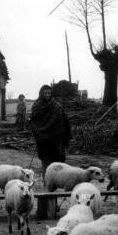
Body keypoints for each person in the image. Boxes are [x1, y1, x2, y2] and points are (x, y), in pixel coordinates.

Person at [29, 84, 72, 219]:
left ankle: (53, 209)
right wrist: (39, 134)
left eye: (49, 92)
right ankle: (42, 211)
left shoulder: (56, 107)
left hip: (56, 145)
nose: (47, 95)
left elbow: (64, 123)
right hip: (44, 145)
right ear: (41, 93)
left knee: (56, 176)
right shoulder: (36, 107)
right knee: (46, 177)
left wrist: (63, 138)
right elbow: (33, 124)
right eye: (45, 92)